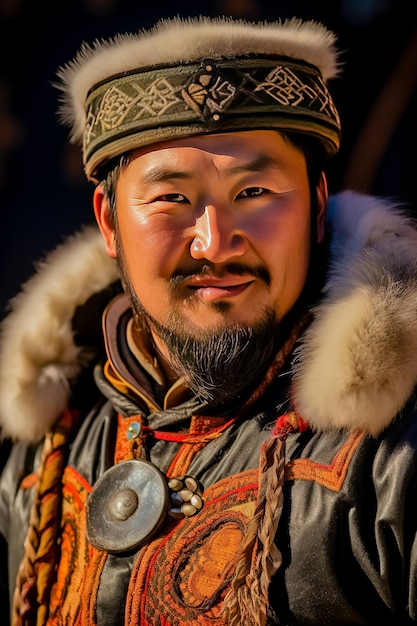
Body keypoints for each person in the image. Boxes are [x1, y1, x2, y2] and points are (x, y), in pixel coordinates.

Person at [0, 14, 417, 626]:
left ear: (318, 207)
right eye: (172, 198)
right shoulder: (46, 449)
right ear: (111, 222)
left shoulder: (393, 448)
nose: (215, 243)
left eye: (255, 193)